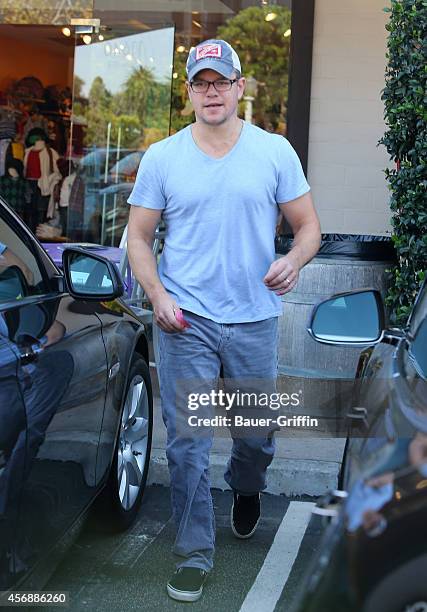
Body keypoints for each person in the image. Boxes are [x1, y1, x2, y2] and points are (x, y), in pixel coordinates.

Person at [127, 39, 321, 602]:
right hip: (184, 320)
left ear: (240, 88)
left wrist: (293, 259)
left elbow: (309, 227)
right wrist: (157, 294)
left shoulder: (274, 151)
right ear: (189, 92)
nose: (211, 92)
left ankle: (247, 484)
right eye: (201, 83)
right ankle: (192, 553)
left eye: (221, 81)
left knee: (255, 437)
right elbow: (138, 238)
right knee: (187, 442)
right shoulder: (163, 158)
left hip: (254, 320)